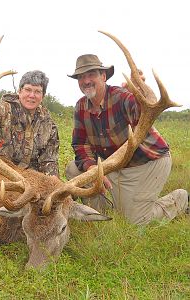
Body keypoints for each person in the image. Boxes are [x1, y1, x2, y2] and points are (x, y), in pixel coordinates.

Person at [65, 54, 189, 225]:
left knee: (134, 222)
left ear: (103, 76)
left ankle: (180, 200)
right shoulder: (80, 106)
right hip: (115, 165)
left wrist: (140, 93)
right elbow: (80, 143)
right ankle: (103, 215)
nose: (86, 80)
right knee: (74, 170)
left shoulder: (122, 97)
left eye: (91, 74)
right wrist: (92, 168)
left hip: (147, 162)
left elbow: (140, 112)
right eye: (81, 77)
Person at [0, 66, 59, 177]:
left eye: (37, 91)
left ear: (43, 96)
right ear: (19, 91)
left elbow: (49, 161)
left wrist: (54, 187)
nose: (32, 95)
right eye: (28, 90)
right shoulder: (3, 111)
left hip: (29, 180)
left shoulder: (49, 126)